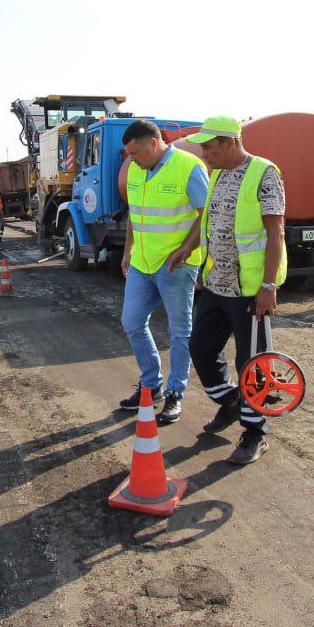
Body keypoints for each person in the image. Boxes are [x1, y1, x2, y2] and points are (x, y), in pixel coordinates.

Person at [183, 116, 288, 465]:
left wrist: (269, 287)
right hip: (216, 285)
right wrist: (191, 254)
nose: (204, 153)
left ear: (229, 142)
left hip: (249, 290)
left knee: (253, 364)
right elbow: (210, 223)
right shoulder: (217, 174)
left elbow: (276, 234)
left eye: (209, 146)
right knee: (200, 348)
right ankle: (232, 402)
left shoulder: (264, 173)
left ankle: (255, 433)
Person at [119, 119, 210, 426]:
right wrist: (127, 250)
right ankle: (151, 383)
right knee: (131, 322)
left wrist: (186, 248)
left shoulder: (189, 166)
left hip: (176, 266)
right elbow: (135, 213)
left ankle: (175, 394)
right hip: (142, 264)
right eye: (128, 154)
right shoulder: (135, 169)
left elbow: (205, 216)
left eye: (136, 152)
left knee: (179, 332)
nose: (132, 158)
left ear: (153, 144)